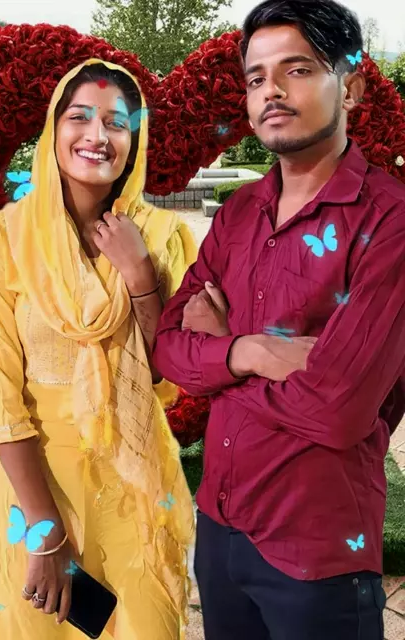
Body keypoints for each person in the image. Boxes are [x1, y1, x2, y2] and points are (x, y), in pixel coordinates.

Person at [153, 1, 405, 638]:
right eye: (256, 78)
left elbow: (339, 410)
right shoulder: (239, 212)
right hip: (219, 527)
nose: (272, 91)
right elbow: (169, 348)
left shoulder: (390, 221)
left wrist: (218, 355)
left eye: (297, 70)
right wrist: (254, 352)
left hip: (317, 548)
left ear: (350, 86)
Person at [0, 59, 197, 640]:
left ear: (134, 142)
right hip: (35, 487)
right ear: (54, 128)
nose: (97, 135)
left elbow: (170, 371)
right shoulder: (4, 237)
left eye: (116, 123)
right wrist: (44, 531)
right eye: (80, 117)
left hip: (135, 482)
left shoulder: (163, 236)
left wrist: (140, 273)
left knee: (146, 627)